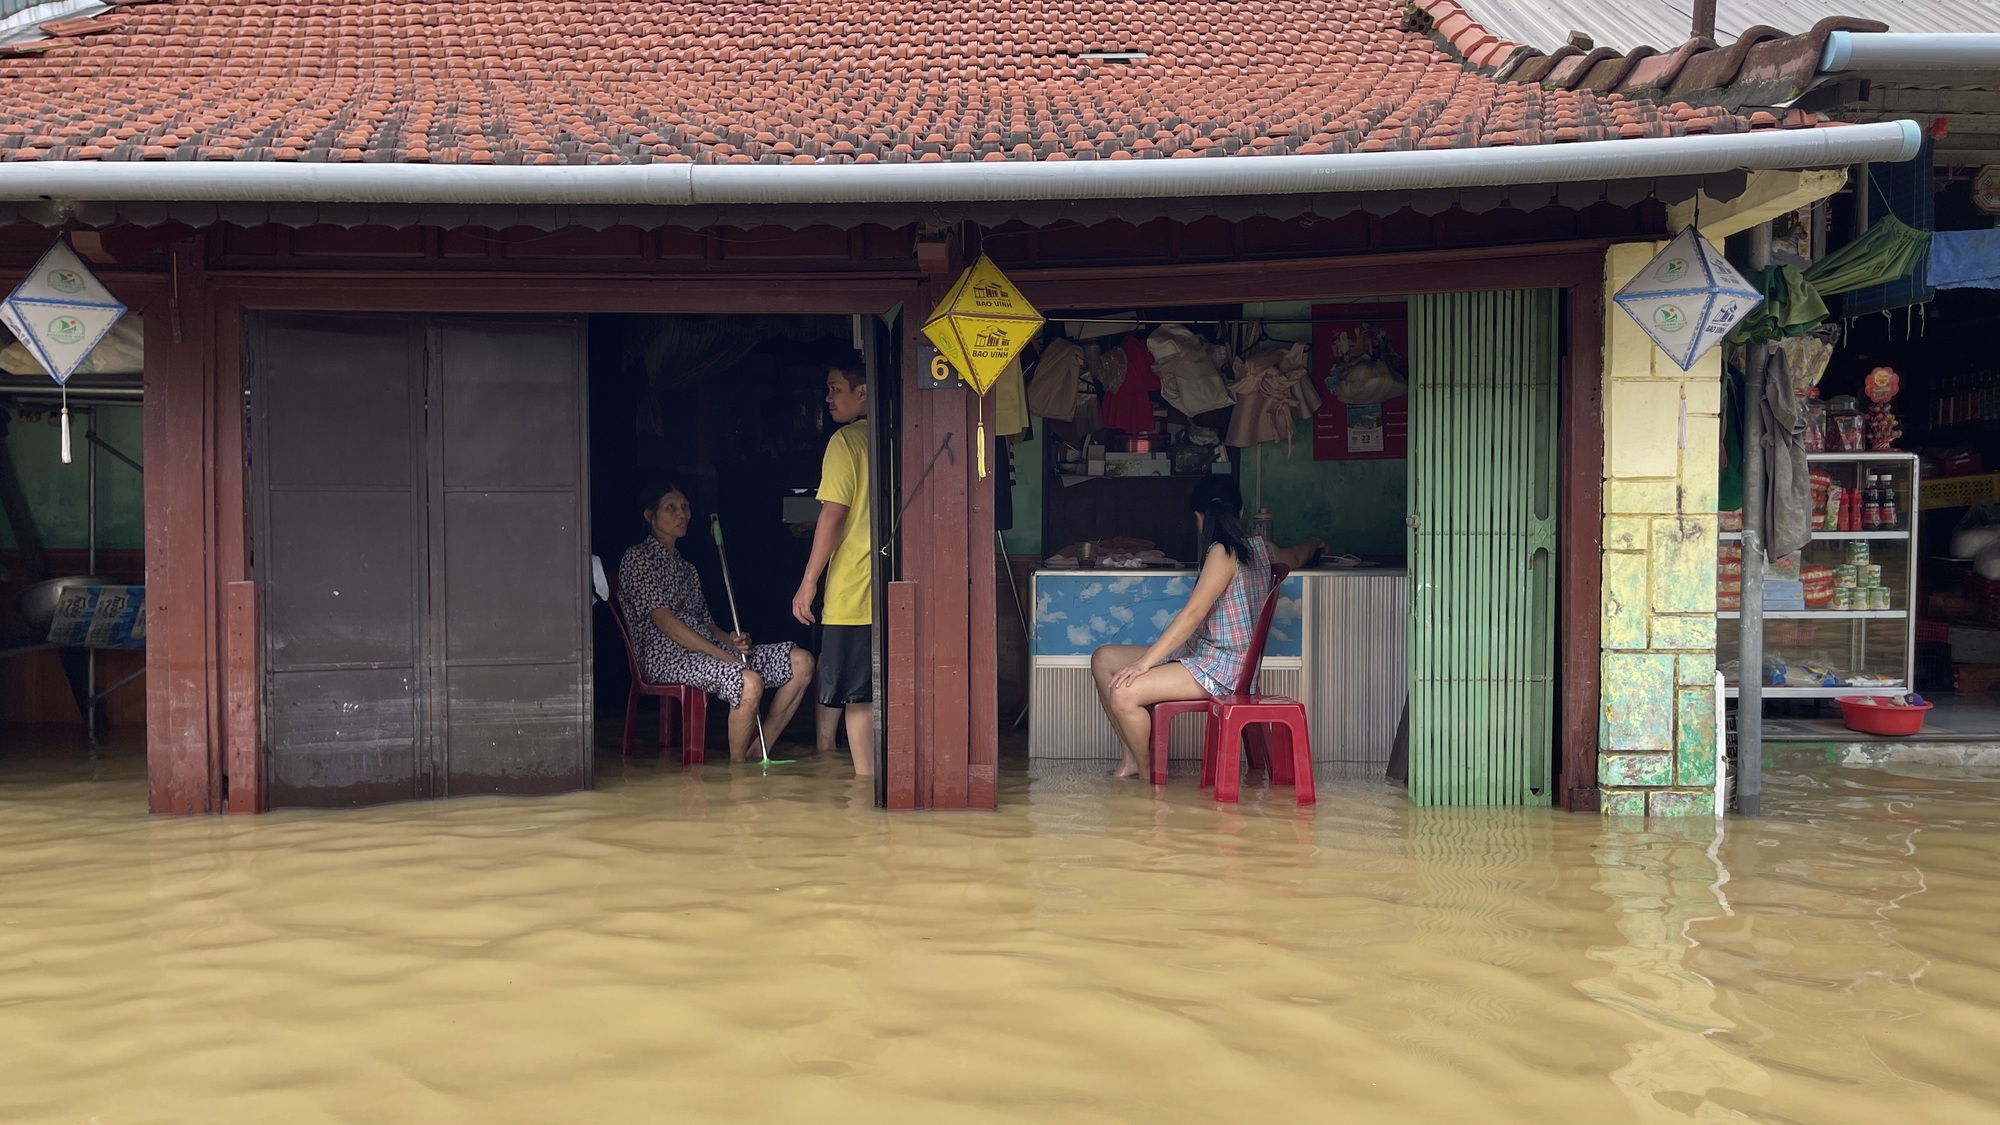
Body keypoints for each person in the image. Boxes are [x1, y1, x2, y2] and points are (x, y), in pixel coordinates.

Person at [1088, 477, 1320, 779]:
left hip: (1221, 670)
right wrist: (1315, 544)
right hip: (1205, 655)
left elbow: (1192, 615)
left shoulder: (1222, 553)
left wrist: (1145, 663)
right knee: (1103, 658)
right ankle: (1131, 757)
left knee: (1123, 694)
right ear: (1240, 512)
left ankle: (1146, 776)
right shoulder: (1263, 548)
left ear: (1198, 518)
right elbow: (1296, 556)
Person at [619, 481, 816, 763]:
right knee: (748, 681)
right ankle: (739, 772)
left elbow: (706, 623)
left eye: (685, 507)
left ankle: (760, 748)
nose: (682, 514)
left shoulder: (687, 568)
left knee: (801, 661)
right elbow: (665, 621)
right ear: (650, 516)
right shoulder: (638, 558)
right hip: (667, 656)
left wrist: (729, 640)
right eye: (671, 508)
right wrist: (722, 655)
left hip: (707, 652)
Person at [792, 352, 875, 778]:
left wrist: (808, 582)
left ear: (863, 392)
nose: (827, 398)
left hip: (854, 587)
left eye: (835, 389)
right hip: (889, 584)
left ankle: (865, 792)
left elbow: (834, 513)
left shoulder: (845, 443)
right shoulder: (892, 438)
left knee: (856, 697)